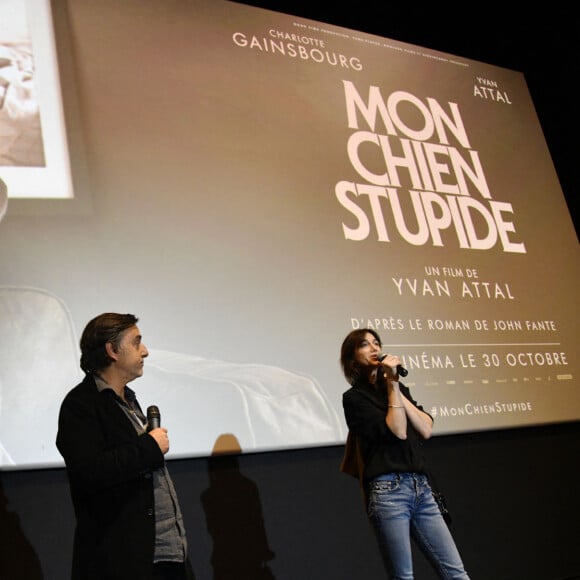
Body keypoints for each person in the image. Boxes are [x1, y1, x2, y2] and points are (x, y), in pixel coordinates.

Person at [56, 313, 192, 580]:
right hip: (123, 562)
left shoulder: (128, 400)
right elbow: (89, 471)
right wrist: (149, 447)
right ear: (112, 350)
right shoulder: (81, 404)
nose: (146, 351)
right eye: (136, 342)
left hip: (165, 554)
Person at [339, 328, 469, 579]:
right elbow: (398, 430)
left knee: (456, 573)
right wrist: (392, 385)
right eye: (365, 345)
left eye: (377, 343)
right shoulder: (354, 399)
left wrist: (394, 383)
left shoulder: (396, 387)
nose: (375, 348)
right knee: (404, 576)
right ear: (352, 358)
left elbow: (425, 428)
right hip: (389, 493)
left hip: (421, 488)